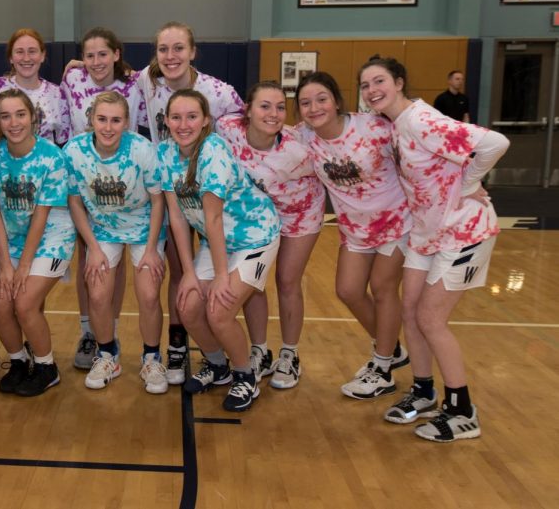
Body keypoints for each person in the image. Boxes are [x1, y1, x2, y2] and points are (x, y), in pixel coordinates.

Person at [359, 55, 509, 442]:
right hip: (426, 234)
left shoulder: (421, 120)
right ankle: (424, 390)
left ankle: (462, 411)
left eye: (379, 81)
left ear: (399, 82)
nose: (372, 90)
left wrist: (469, 183)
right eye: (365, 85)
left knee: (430, 319)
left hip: (463, 231)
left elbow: (495, 142)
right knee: (408, 309)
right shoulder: (397, 125)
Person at [159, 89, 280, 412]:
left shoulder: (213, 151)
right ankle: (217, 366)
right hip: (218, 243)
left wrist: (222, 276)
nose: (183, 124)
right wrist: (187, 274)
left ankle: (245, 374)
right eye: (176, 117)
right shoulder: (165, 154)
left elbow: (212, 217)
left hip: (254, 236)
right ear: (166, 121)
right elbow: (177, 218)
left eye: (192, 116)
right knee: (187, 306)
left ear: (206, 121)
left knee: (219, 309)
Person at [136, 21, 244, 385]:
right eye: (163, 49)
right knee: (180, 271)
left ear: (193, 51)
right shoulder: (147, 82)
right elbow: (111, 74)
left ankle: (253, 350)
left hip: (215, 200)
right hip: (176, 192)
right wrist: (76, 67)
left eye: (178, 48)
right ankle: (179, 343)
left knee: (230, 280)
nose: (170, 56)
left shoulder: (219, 91)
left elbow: (251, 121)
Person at [296, 72, 411, 399]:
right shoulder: (305, 137)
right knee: (347, 290)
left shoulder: (373, 128)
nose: (314, 107)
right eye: (305, 102)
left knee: (383, 287)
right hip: (355, 230)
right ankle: (392, 349)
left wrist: (468, 185)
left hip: (398, 222)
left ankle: (383, 367)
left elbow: (419, 151)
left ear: (336, 100)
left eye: (321, 99)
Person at [215, 81, 325, 389]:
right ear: (248, 110)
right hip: (256, 215)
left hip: (300, 214)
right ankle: (259, 351)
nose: (274, 114)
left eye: (280, 107)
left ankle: (289, 355)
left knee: (287, 281)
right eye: (265, 106)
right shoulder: (227, 129)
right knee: (254, 283)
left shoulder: (299, 148)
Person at [63, 91, 167, 393]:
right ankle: (108, 354)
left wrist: (150, 250)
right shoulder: (74, 151)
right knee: (97, 293)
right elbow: (74, 202)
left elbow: (158, 202)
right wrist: (92, 249)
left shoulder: (143, 150)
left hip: (143, 225)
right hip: (102, 228)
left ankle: (151, 358)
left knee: (148, 294)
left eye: (116, 120)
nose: (108, 127)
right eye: (102, 119)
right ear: (91, 120)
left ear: (127, 123)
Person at [60, 27, 146, 370]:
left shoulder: (136, 84)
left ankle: (110, 330)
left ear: (117, 54)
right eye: (89, 54)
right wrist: (80, 64)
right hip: (85, 179)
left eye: (103, 54)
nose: (96, 61)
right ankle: (88, 331)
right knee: (88, 260)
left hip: (125, 181)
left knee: (118, 263)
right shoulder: (72, 80)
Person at [0, 89, 76, 397]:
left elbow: (41, 214)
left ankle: (46, 367)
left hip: (52, 234)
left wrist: (23, 266)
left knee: (24, 303)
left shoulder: (51, 156)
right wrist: (7, 266)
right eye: (5, 115)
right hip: (12, 237)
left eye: (20, 114)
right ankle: (17, 360)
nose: (14, 122)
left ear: (33, 117)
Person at [0, 28, 71, 146]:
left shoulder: (57, 95)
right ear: (11, 58)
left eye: (32, 51)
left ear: (42, 56)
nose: (26, 58)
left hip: (42, 162)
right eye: (19, 52)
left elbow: (63, 140)